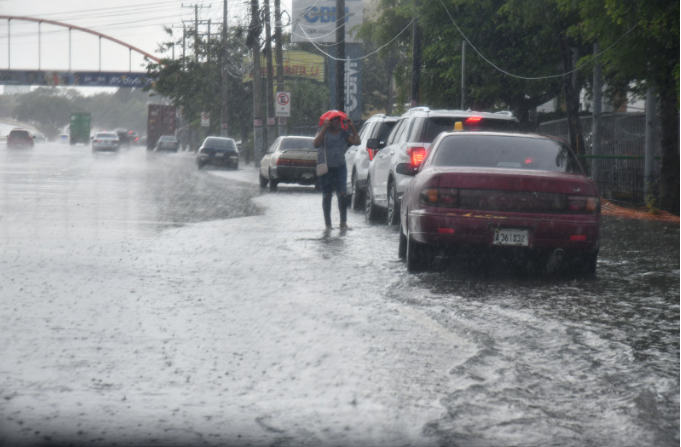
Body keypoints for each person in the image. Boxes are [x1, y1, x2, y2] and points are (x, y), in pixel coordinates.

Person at [313, 115, 361, 231]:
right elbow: (316, 144)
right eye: (333, 119)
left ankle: (343, 222)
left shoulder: (343, 133)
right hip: (327, 169)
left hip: (340, 168)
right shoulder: (322, 132)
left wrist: (352, 127)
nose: (336, 122)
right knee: (327, 195)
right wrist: (324, 128)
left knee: (342, 194)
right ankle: (328, 225)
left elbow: (357, 142)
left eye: (338, 120)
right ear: (329, 121)